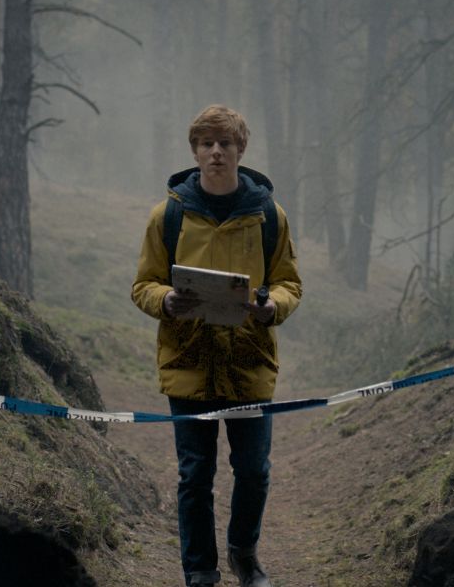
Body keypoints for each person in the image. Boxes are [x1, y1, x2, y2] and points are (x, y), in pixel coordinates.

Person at [132, 104, 302, 587]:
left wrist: (273, 307)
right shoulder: (167, 217)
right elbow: (143, 284)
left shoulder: (270, 215)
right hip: (188, 362)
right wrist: (166, 300)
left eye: (225, 143)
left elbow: (290, 283)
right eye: (206, 143)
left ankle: (243, 555)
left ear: (240, 150)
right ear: (195, 151)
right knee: (194, 476)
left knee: (253, 471)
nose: (215, 152)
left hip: (249, 363)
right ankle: (200, 573)